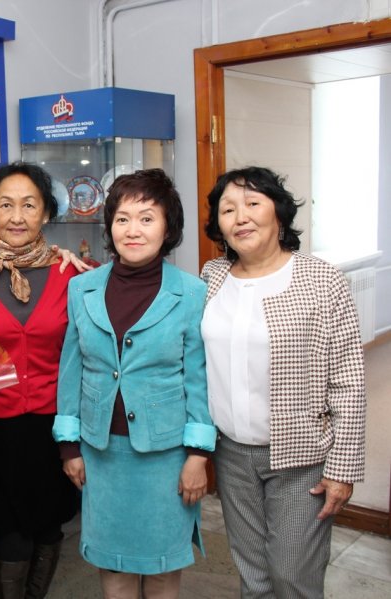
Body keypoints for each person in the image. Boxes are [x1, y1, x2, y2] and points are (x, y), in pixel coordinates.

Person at [200, 166, 366, 598]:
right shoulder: (212, 276)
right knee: (252, 574)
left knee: (292, 576)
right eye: (227, 210)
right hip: (231, 453)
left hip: (300, 456)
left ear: (278, 212)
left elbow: (348, 380)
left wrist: (342, 469)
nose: (240, 217)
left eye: (252, 204)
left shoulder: (321, 279)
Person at [54, 168, 216, 598]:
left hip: (166, 455)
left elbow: (198, 379)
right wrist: (69, 445)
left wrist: (198, 455)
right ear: (109, 225)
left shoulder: (191, 292)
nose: (133, 230)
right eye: (122, 218)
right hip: (101, 452)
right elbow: (71, 370)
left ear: (168, 227)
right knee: (113, 568)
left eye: (147, 218)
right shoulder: (82, 288)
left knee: (162, 571)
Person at [0, 162, 80, 598]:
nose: (17, 216)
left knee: (49, 528)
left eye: (29, 205)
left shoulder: (75, 276)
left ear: (46, 212)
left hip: (56, 430)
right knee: (5, 534)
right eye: (5, 205)